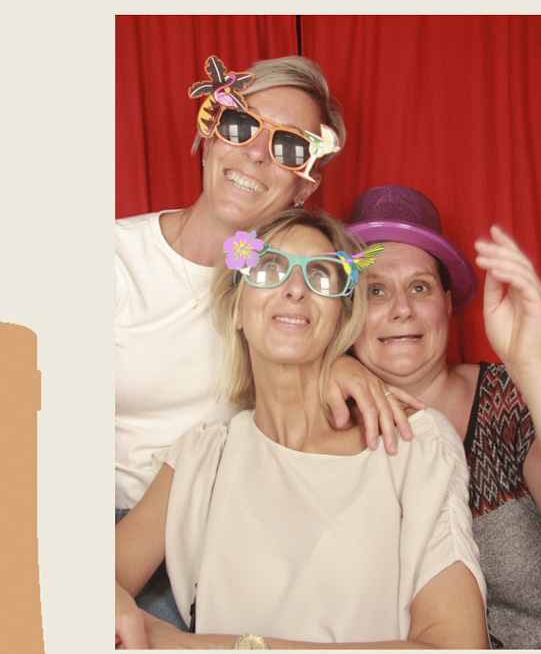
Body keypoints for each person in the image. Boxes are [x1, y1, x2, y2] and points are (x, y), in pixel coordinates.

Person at [114, 207, 487, 650]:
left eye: (321, 275)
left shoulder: (413, 443)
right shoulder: (201, 458)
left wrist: (191, 648)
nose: (295, 289)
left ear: (341, 319)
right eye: (269, 268)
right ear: (237, 310)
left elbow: (457, 647)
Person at [117, 52, 413, 517]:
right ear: (209, 138)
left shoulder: (300, 298)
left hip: (230, 528)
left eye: (289, 146)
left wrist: (331, 366)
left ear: (304, 188)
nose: (256, 152)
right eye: (240, 124)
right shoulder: (114, 258)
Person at [348, 186, 541, 650]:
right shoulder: (333, 426)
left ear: (447, 302)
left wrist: (532, 370)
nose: (402, 309)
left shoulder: (507, 397)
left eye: (419, 287)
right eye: (375, 291)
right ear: (347, 310)